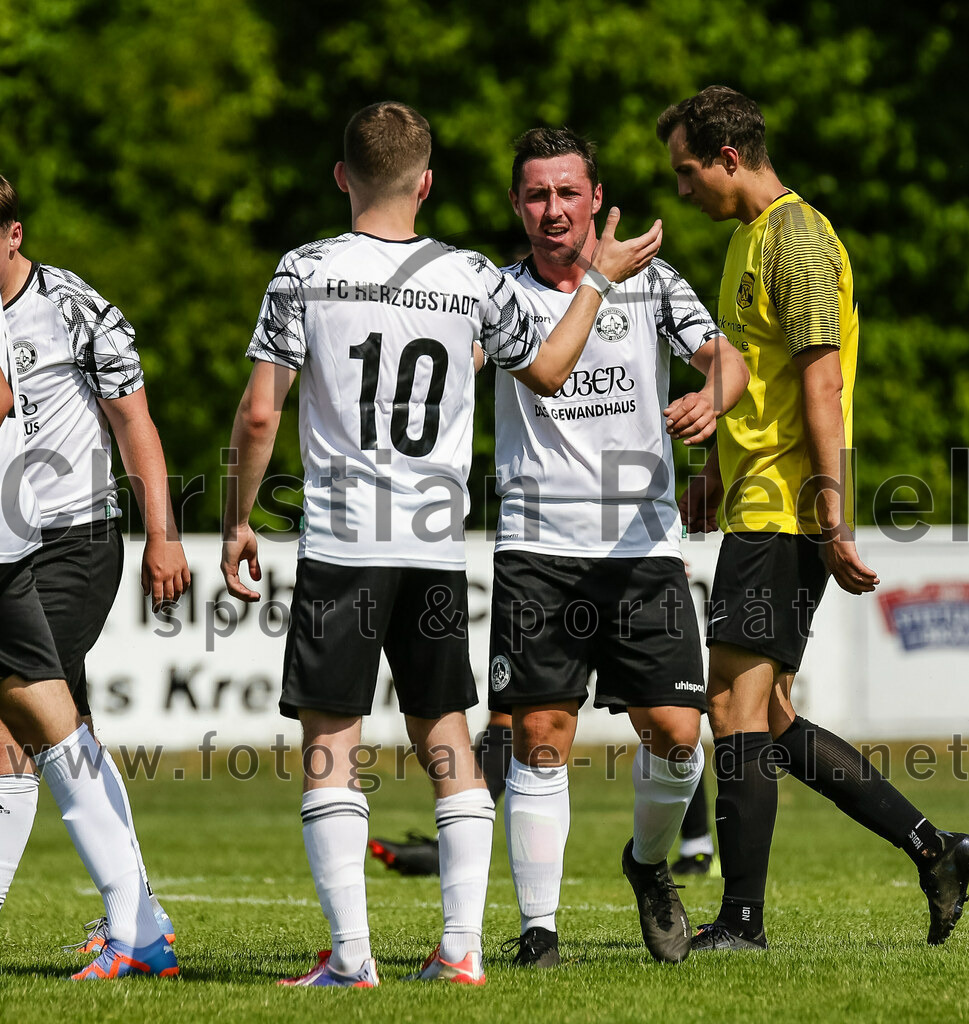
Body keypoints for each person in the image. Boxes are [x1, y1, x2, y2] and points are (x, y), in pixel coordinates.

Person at [220, 101, 660, 988]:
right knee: (448, 740)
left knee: (329, 746)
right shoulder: (469, 278)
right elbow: (545, 371)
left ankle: (351, 960)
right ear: (426, 184)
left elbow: (263, 409)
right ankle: (459, 952)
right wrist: (599, 284)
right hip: (432, 548)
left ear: (343, 176)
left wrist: (238, 516)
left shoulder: (304, 268)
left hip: (345, 544)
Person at [658, 85, 969, 950]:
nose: (682, 189)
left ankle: (741, 924)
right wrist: (716, 478)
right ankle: (937, 848)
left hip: (785, 510)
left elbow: (821, 382)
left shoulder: (794, 239)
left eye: (687, 171)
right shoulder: (746, 239)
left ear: (728, 157)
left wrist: (830, 514)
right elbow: (756, 383)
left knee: (733, 706)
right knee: (774, 720)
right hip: (755, 499)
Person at [488, 127, 748, 967]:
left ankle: (645, 866)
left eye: (567, 192)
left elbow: (727, 360)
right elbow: (549, 375)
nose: (552, 209)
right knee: (542, 734)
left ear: (596, 198)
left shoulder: (658, 284)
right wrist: (601, 280)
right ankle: (540, 933)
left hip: (643, 547)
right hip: (538, 545)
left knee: (677, 734)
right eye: (536, 194)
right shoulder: (499, 296)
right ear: (517, 205)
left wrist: (711, 397)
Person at [0, 176, 189, 952]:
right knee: (59, 725)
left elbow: (132, 420)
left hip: (75, 538)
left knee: (18, 723)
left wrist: (164, 533)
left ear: (12, 234)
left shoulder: (70, 305)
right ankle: (140, 915)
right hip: (7, 545)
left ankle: (137, 925)